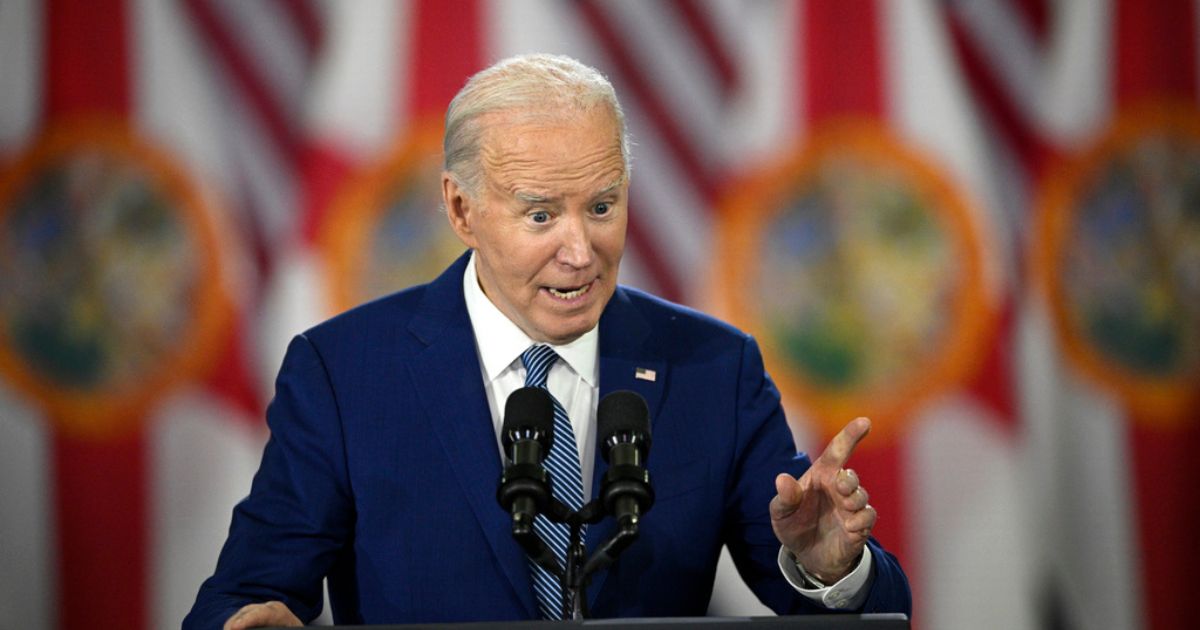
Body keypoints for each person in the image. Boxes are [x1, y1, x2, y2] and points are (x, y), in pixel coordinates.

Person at [185, 54, 911, 630]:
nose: (580, 251)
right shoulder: (344, 375)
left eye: (602, 206)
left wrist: (827, 568)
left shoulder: (713, 369)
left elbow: (849, 608)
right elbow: (246, 590)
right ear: (462, 209)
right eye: (540, 216)